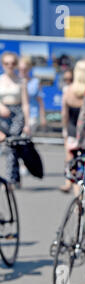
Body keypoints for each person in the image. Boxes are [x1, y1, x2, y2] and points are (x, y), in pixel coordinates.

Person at [59, 59, 85, 193]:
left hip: (73, 132)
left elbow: (64, 115)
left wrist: (65, 131)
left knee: (71, 158)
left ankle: (72, 187)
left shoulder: (68, 90)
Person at [0, 51, 30, 189]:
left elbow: (25, 103)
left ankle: (10, 180)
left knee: (11, 146)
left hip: (17, 115)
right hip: (3, 115)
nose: (9, 66)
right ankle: (15, 177)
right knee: (10, 147)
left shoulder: (21, 82)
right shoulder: (0, 80)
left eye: (12, 63)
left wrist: (27, 123)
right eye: (6, 63)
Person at [18, 56, 46, 135]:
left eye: (25, 69)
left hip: (32, 115)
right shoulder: (15, 81)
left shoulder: (35, 82)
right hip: (17, 115)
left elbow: (40, 101)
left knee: (25, 138)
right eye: (20, 69)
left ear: (29, 69)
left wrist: (42, 117)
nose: (22, 71)